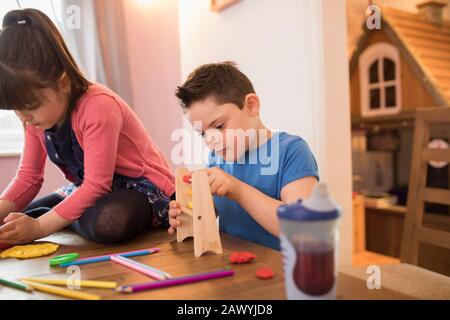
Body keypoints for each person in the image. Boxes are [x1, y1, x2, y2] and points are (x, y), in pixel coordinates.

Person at [0, 9, 174, 245]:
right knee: (14, 220)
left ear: (62, 83)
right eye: (16, 109)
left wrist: (40, 226)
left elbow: (96, 184)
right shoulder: (34, 118)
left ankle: (65, 217)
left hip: (142, 189)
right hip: (89, 190)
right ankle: (68, 217)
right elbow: (28, 178)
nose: (23, 117)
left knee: (108, 222)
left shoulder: (97, 105)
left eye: (30, 105)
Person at [168, 62, 319, 250]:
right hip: (231, 267)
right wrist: (190, 212)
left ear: (251, 105)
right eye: (203, 133)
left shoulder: (292, 151)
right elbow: (216, 211)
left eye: (219, 126)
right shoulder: (218, 158)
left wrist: (237, 190)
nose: (210, 140)